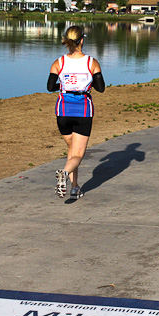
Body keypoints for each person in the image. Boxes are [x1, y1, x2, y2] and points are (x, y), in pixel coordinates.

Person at [47, 25, 105, 200]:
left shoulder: (59, 62)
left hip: (63, 111)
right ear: (82, 40)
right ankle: (64, 173)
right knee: (78, 154)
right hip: (82, 112)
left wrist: (65, 86)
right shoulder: (91, 62)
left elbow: (50, 87)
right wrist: (85, 84)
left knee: (72, 150)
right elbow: (101, 88)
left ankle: (74, 187)